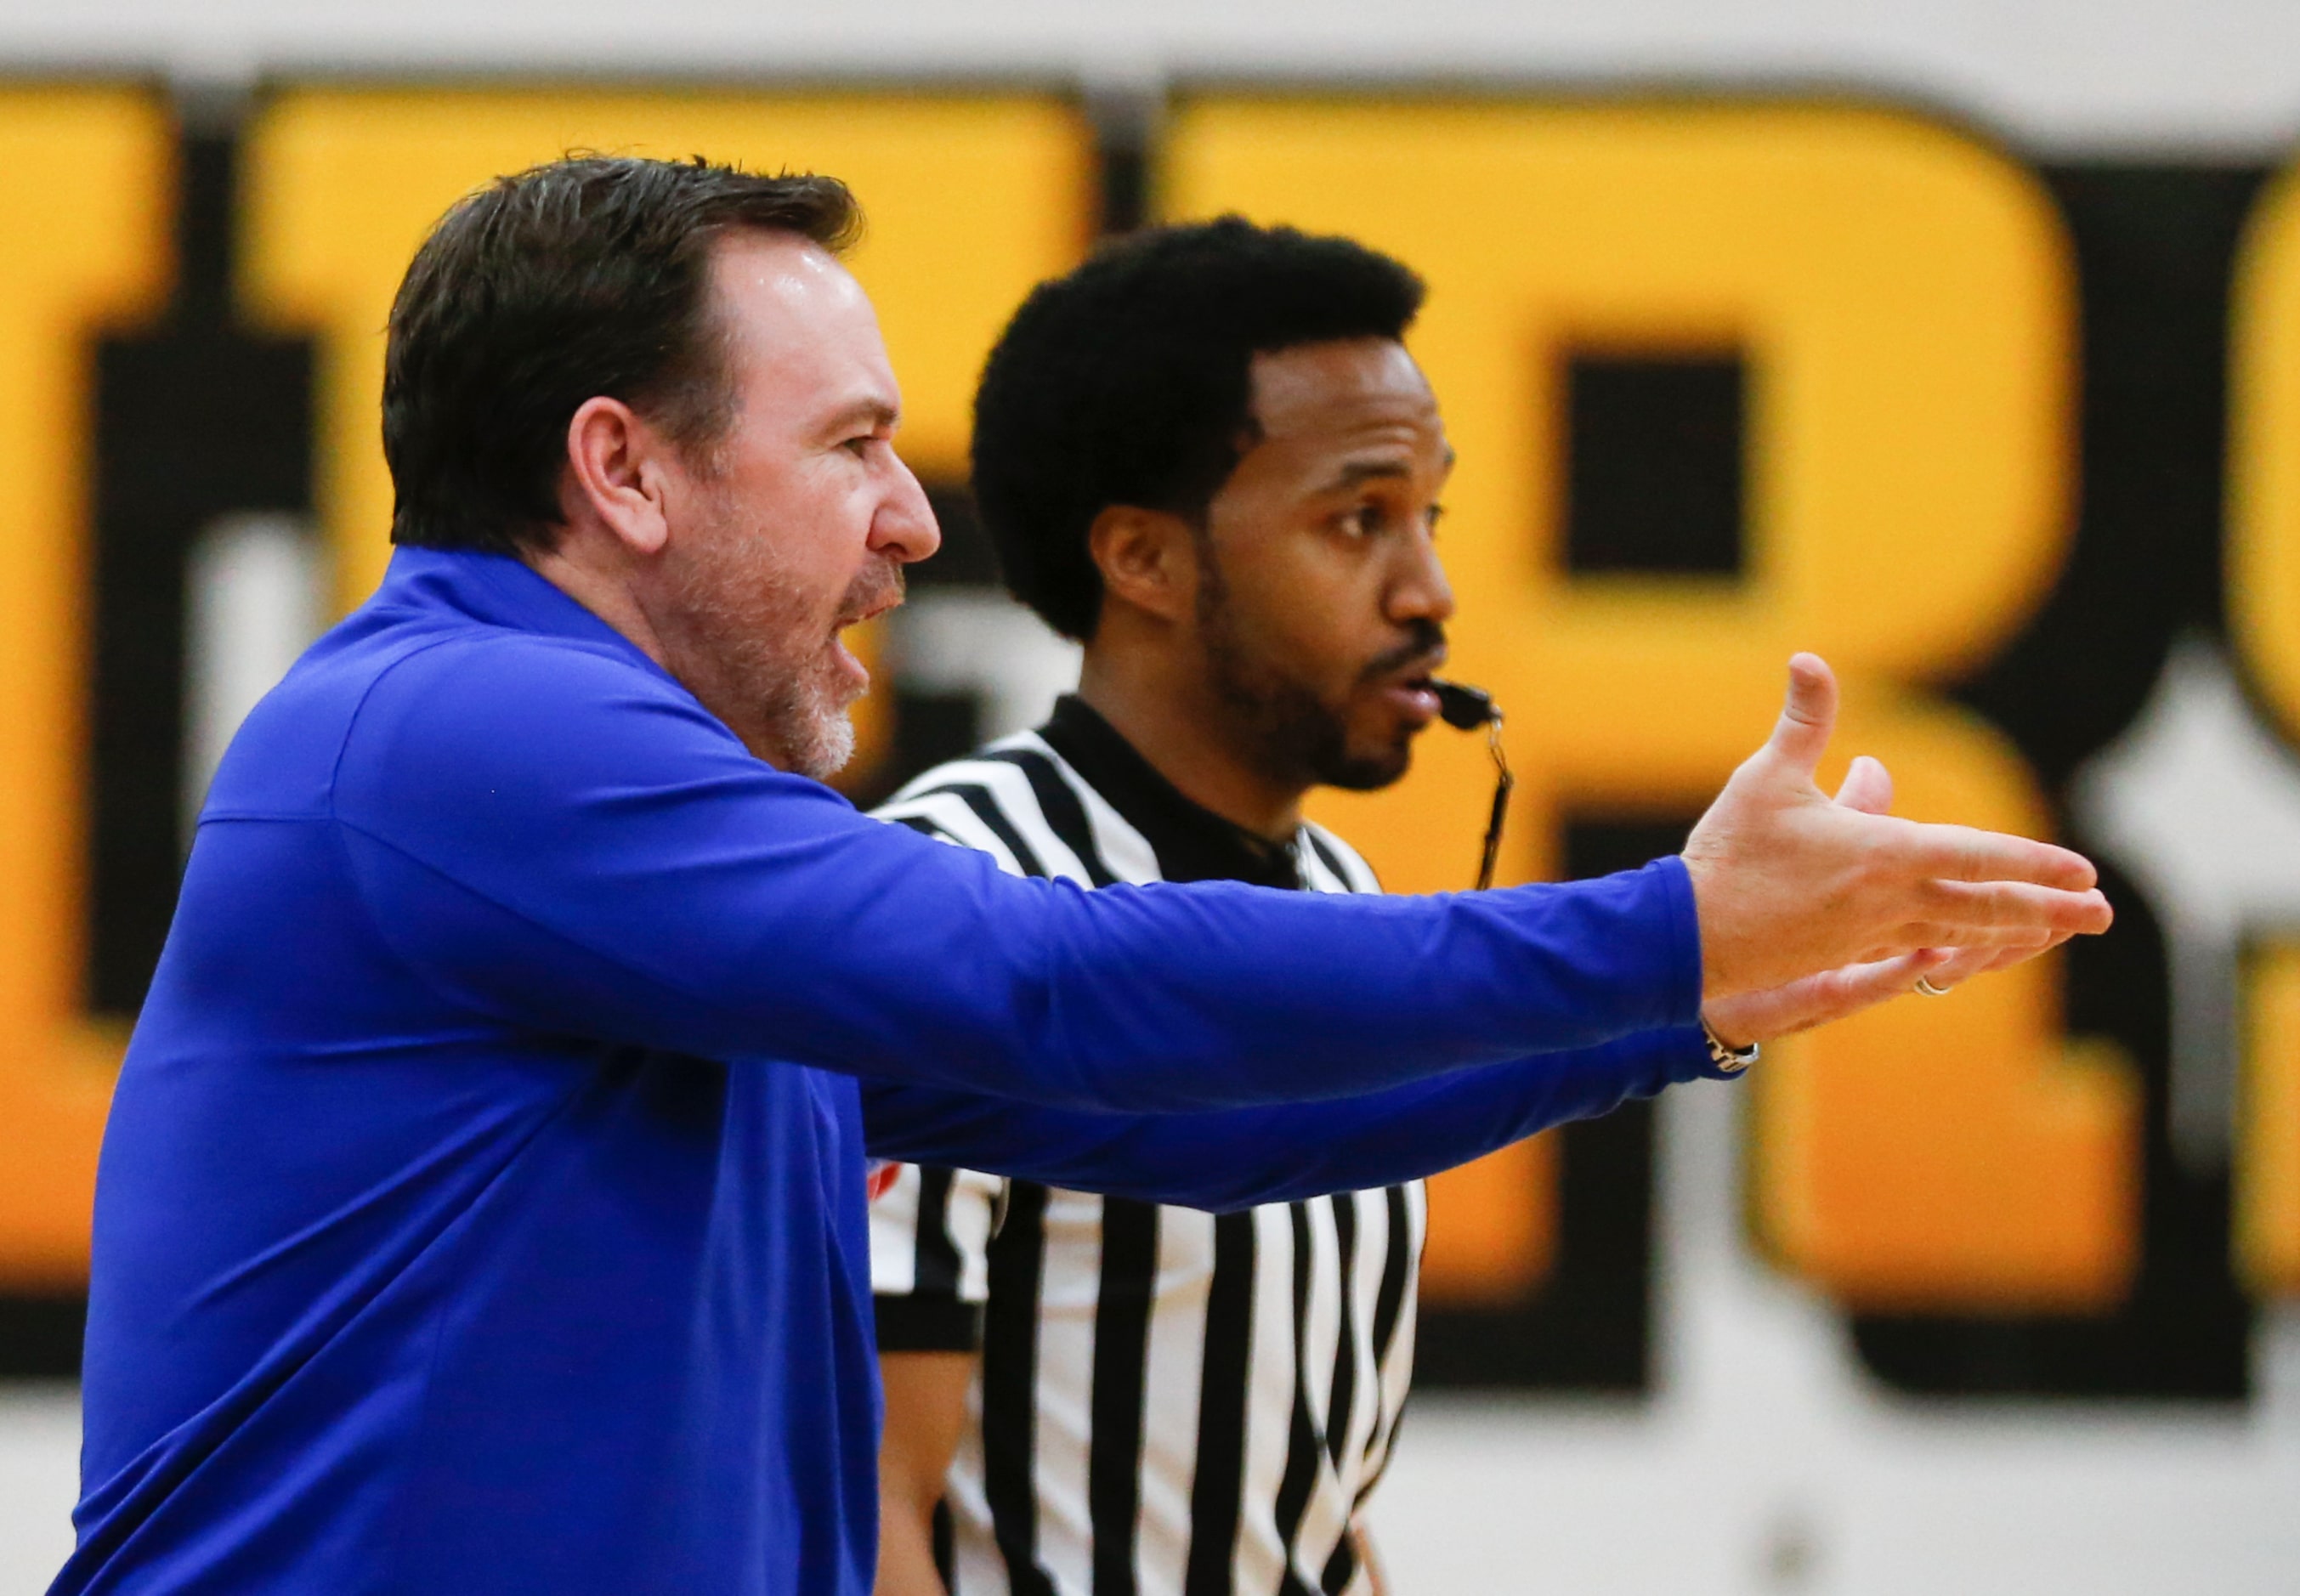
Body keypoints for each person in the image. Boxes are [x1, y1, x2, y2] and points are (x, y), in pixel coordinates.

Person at [56, 157, 2108, 1596]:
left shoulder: (633, 870)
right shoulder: (454, 729)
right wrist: (1655, 927)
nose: (914, 522)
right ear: (623, 472)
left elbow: (1160, 1116)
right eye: (852, 445)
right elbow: (1050, 991)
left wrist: (1685, 1007)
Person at [864, 218, 2054, 1596]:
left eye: (1430, 515)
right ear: (1143, 559)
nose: (1428, 589)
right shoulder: (947, 890)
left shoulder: (1344, 897)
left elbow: (1296, 1498)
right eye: (1355, 519)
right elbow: (866, 1499)